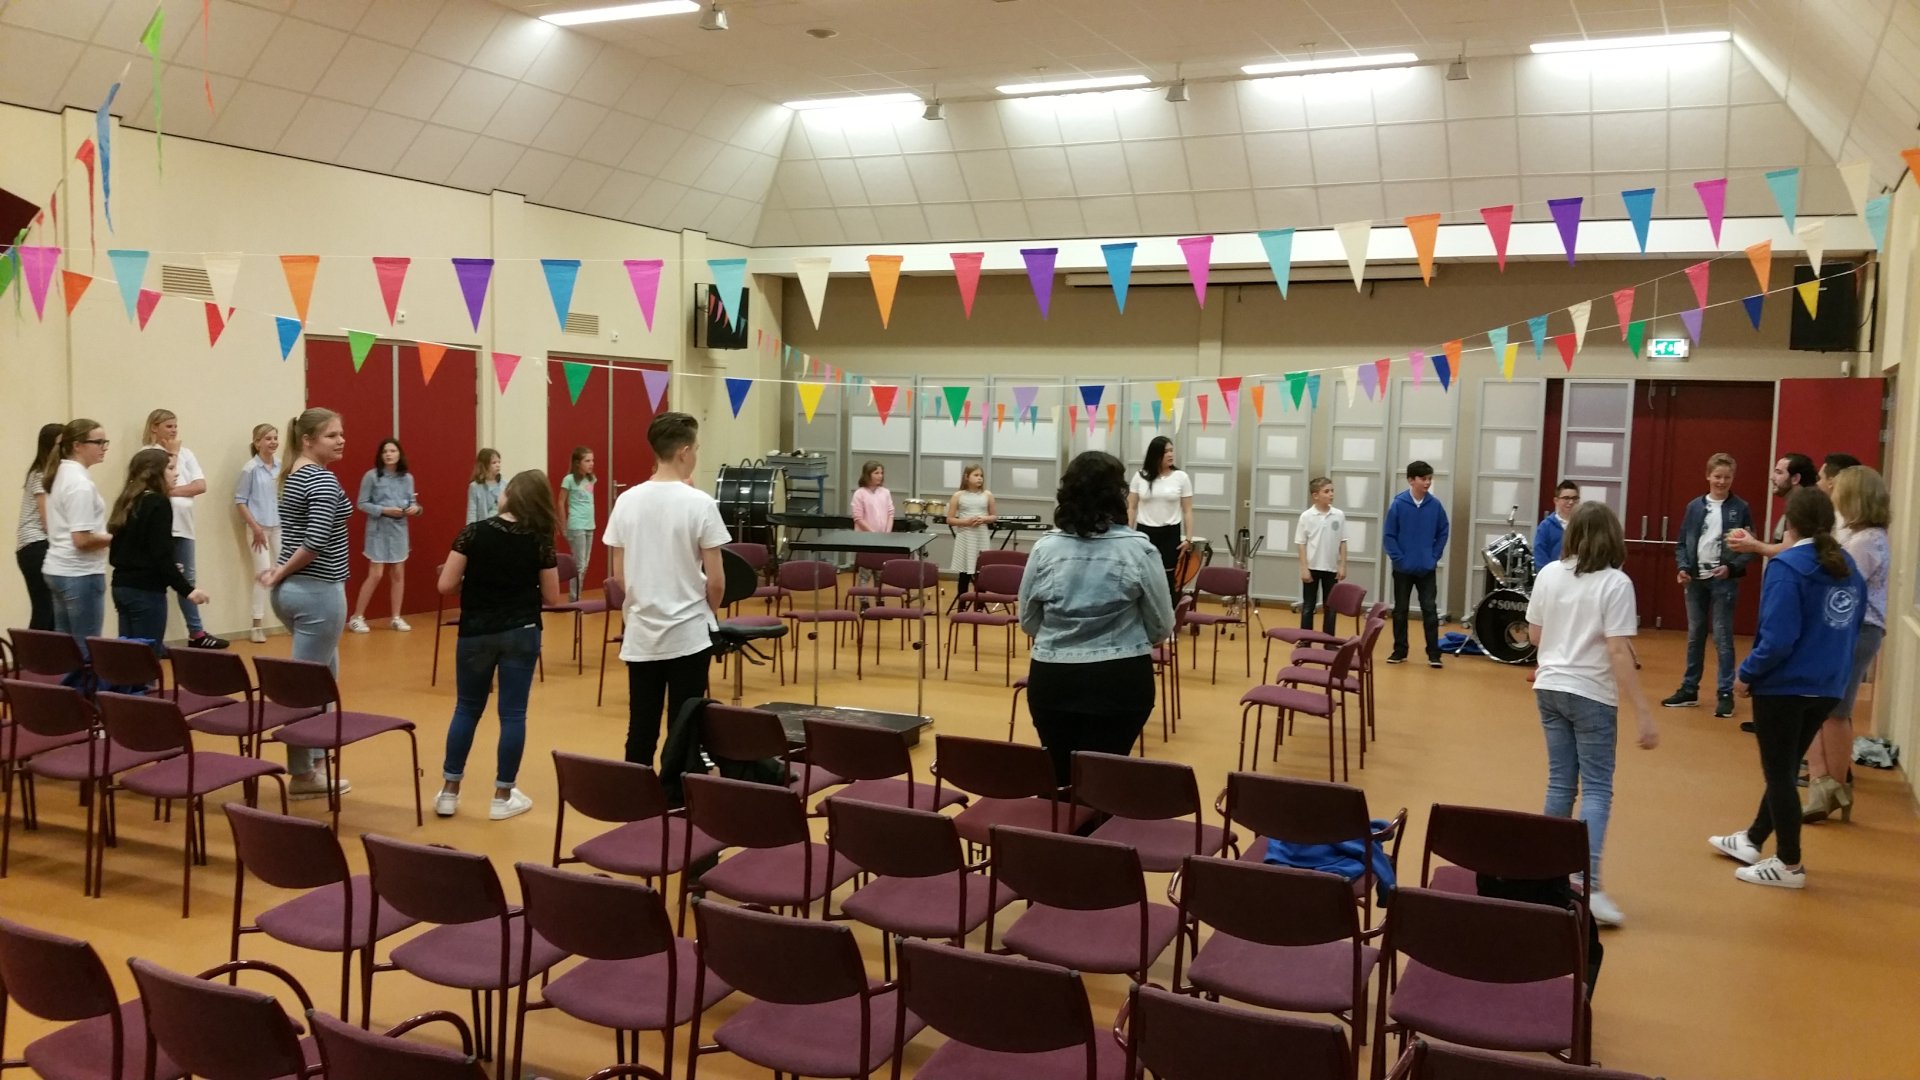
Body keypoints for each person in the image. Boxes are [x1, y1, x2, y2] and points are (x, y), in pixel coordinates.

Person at [1709, 488, 1864, 890]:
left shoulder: (1788, 566)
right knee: (1786, 765)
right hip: (1828, 686)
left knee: (1779, 774)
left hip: (1785, 687)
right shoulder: (1847, 566)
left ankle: (1789, 864)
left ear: (1789, 523)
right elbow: (1853, 625)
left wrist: (1746, 674)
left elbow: (1778, 639)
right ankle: (1752, 840)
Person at [1524, 501, 1658, 927]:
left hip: (1550, 687)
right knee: (1597, 789)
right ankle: (1588, 886)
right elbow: (1617, 650)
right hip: (1591, 694)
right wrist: (1643, 712)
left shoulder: (1549, 574)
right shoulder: (1616, 583)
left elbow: (1535, 635)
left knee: (1560, 782)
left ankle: (1547, 878)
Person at [1019, 451, 1176, 785]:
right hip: (1120, 678)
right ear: (1118, 494)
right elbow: (1162, 627)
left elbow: (1029, 621)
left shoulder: (1045, 549)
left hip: (1054, 678)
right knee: (1105, 781)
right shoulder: (1139, 549)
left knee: (1059, 779)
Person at [603, 413, 729, 769]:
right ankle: (677, 792)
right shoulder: (700, 503)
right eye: (697, 448)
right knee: (684, 726)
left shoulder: (626, 501)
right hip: (688, 632)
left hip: (642, 631)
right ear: (684, 452)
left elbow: (619, 575)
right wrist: (708, 611)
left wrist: (644, 597)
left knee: (641, 724)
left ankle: (635, 790)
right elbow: (716, 580)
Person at [435, 469, 562, 822]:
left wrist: (477, 584)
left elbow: (445, 585)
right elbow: (553, 596)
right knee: (513, 714)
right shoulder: (540, 540)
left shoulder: (473, 532)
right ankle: (503, 795)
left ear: (511, 496)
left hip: (476, 631)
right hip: (521, 631)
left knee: (466, 708)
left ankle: (449, 791)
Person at [257, 408, 353, 801]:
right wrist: (279, 571)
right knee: (306, 684)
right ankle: (302, 772)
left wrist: (281, 573)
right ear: (308, 440)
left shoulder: (294, 474)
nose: (341, 440)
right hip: (317, 592)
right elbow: (314, 541)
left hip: (296, 592)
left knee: (324, 677)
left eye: (341, 433)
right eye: (332, 435)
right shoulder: (321, 479)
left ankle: (316, 759)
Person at [1800, 466, 1889, 822]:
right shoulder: (1857, 534)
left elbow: (1841, 581)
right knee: (1824, 707)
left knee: (1833, 709)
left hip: (1858, 629)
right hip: (1851, 629)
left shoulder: (1867, 542)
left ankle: (1833, 785)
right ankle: (1824, 782)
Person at [1664, 453, 1756, 718]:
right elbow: (1683, 542)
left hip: (1723, 582)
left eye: (1727, 477)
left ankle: (1725, 692)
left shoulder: (1741, 508)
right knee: (1695, 634)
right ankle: (1689, 688)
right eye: (1717, 476)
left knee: (1722, 635)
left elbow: (1749, 546)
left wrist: (1732, 567)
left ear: (1733, 478)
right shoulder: (1694, 507)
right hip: (1696, 580)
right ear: (1708, 476)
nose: (1721, 482)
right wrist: (1683, 567)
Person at [107, 448, 210, 651]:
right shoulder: (158, 502)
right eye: (170, 468)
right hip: (145, 591)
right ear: (154, 472)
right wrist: (187, 590)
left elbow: (125, 550)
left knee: (128, 655)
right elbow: (160, 554)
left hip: (122, 586)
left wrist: (165, 567)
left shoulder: (128, 500)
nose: (176, 473)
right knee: (146, 655)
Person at [141, 410, 225, 649]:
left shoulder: (187, 453)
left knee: (187, 579)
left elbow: (200, 485)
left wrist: (171, 491)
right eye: (168, 426)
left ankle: (196, 633)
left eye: (175, 425)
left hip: (184, 526)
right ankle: (153, 640)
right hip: (161, 525)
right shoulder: (147, 453)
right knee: (157, 579)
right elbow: (156, 486)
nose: (174, 430)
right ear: (154, 427)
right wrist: (173, 455)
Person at [41, 418, 112, 655]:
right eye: (98, 442)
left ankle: (71, 680)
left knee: (67, 649)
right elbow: (81, 540)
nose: (104, 447)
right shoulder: (79, 483)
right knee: (86, 649)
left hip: (59, 568)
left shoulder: (61, 473)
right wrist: (116, 537)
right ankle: (84, 681)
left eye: (105, 442)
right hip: (80, 572)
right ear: (77, 446)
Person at [347, 438, 418, 634]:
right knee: (376, 574)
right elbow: (362, 503)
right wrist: (384, 510)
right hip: (378, 530)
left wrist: (415, 509)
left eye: (392, 451)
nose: (388, 454)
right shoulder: (371, 476)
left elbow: (413, 503)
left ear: (399, 454)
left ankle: (396, 617)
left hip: (399, 530)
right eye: (385, 451)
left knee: (398, 574)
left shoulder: (407, 478)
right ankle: (357, 617)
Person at [1382, 460, 1449, 668]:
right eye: (1423, 479)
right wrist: (1399, 559)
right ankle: (1400, 650)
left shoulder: (1435, 505)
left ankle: (1434, 653)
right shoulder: (1398, 504)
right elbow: (1389, 535)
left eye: (1429, 479)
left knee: (1429, 609)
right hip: (1403, 569)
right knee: (1400, 610)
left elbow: (1443, 531)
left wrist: (1434, 556)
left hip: (1426, 568)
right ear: (1411, 480)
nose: (1427, 482)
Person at [1126, 435, 1194, 603]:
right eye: (1165, 452)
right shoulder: (1140, 476)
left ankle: (1169, 614)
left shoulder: (1181, 477)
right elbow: (1132, 507)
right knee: (1143, 575)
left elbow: (1187, 510)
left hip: (1170, 533)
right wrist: (1127, 533)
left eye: (1171, 451)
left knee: (1167, 577)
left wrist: (1188, 538)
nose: (1170, 454)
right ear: (1155, 454)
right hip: (1145, 532)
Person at [234, 423, 282, 644]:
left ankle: (289, 617)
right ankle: (256, 625)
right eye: (268, 438)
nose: (273, 442)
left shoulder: (281, 467)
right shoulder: (250, 469)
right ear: (257, 442)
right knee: (263, 574)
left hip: (279, 527)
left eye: (275, 438)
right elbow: (240, 501)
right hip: (258, 529)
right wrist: (255, 528)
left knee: (284, 571)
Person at [1725, 452, 1817, 560]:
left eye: (1779, 472)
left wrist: (1753, 545)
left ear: (1795, 478)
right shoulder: (1796, 506)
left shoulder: (1804, 509)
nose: (1772, 477)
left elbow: (1788, 550)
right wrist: (1753, 543)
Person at [14, 423, 61, 631]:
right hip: (36, 544)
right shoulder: (41, 474)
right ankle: (34, 651)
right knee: (45, 608)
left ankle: (42, 650)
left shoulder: (47, 473)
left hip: (36, 545)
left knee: (49, 609)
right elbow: (46, 518)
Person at [1294, 476, 1346, 633]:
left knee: (1330, 606)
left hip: (1331, 568)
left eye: (1332, 491)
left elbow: (1343, 541)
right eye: (1327, 491)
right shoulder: (1306, 516)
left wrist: (1342, 565)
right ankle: (1306, 638)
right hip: (1312, 567)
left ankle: (1328, 639)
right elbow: (1301, 543)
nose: (1331, 494)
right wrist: (1304, 568)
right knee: (1309, 606)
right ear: (1315, 495)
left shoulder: (1339, 515)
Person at [946, 463, 996, 608]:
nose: (979, 478)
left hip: (981, 536)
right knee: (964, 573)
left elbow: (994, 516)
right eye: (976, 475)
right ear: (967, 477)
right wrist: (965, 522)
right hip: (965, 536)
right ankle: (962, 606)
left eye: (981, 476)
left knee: (981, 571)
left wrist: (984, 519)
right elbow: (950, 519)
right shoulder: (958, 496)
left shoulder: (987, 495)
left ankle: (979, 606)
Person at [850, 460, 895, 597]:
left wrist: (887, 532)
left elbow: (890, 513)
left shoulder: (885, 492)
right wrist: (873, 533)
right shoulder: (860, 493)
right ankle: (863, 600)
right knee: (865, 572)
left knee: (880, 572)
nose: (880, 476)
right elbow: (858, 518)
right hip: (866, 539)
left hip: (882, 539)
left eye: (881, 473)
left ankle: (879, 598)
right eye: (876, 473)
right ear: (868, 474)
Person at [559, 446, 595, 600]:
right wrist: (563, 526)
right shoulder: (569, 480)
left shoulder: (591, 479)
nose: (591, 464)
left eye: (592, 460)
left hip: (589, 525)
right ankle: (575, 598)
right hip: (576, 524)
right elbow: (561, 502)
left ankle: (576, 595)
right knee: (579, 564)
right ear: (577, 463)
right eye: (587, 461)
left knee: (584, 564)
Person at [1533, 480, 1580, 570]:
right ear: (1556, 501)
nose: (1571, 502)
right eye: (1566, 498)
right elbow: (1540, 554)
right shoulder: (1545, 526)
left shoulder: (1584, 525)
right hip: (1553, 574)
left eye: (1575, 498)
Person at [466, 448, 504, 526]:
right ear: (484, 465)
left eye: (499, 462)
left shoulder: (505, 484)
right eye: (494, 463)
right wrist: (470, 529)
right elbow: (472, 512)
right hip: (483, 527)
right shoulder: (475, 486)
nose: (498, 465)